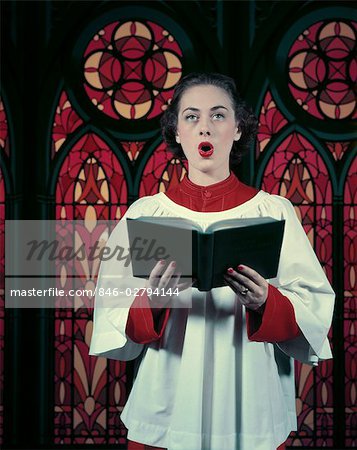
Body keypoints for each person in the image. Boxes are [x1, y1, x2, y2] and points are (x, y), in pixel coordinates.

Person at [89, 73, 335, 450]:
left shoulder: (273, 211)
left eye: (218, 115)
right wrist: (151, 303)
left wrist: (266, 302)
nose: (205, 127)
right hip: (170, 388)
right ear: (176, 133)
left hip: (247, 391)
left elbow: (314, 305)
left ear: (238, 129)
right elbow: (112, 308)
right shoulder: (147, 214)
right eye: (191, 117)